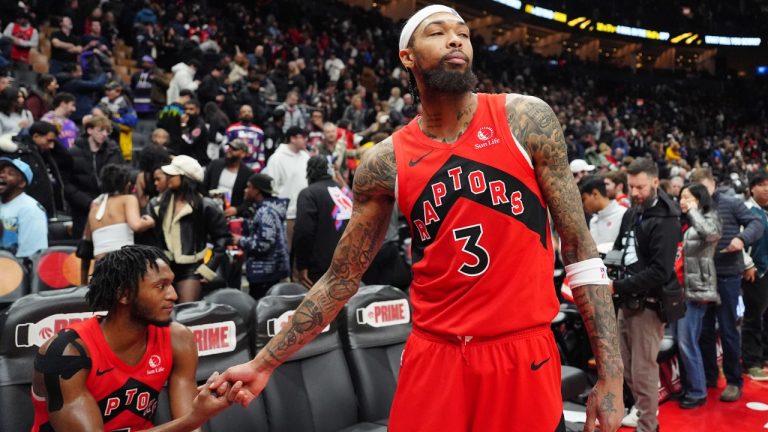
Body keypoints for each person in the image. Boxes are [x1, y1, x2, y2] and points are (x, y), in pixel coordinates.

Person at [211, 6, 623, 432]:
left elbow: (579, 250)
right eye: (438, 32)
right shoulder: (385, 161)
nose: (455, 39)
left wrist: (611, 376)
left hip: (520, 350)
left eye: (463, 33)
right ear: (407, 56)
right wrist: (263, 363)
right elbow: (340, 278)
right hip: (435, 353)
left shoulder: (525, 118)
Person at [30, 245, 241, 431]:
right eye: (161, 286)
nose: (174, 295)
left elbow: (188, 426)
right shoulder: (67, 352)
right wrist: (194, 419)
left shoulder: (178, 339)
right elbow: (187, 422)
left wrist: (195, 418)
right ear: (124, 294)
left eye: (171, 284)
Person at [610, 157, 680, 431]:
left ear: (654, 181)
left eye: (640, 187)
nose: (635, 192)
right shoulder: (633, 210)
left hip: (648, 305)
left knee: (643, 371)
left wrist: (616, 286)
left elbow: (660, 272)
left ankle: (649, 425)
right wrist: (606, 269)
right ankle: (641, 410)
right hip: (626, 300)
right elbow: (619, 248)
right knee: (626, 368)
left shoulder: (667, 217)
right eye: (631, 186)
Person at [690, 167, 763, 402]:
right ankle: (710, 377)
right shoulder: (693, 206)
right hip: (701, 277)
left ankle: (733, 381)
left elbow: (755, 223)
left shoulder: (731, 203)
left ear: (713, 183)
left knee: (729, 329)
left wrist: (741, 239)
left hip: (727, 276)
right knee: (705, 331)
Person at [149, 155, 231, 302]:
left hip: (191, 269)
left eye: (173, 174)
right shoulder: (158, 203)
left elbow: (222, 238)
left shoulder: (205, 205)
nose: (168, 177)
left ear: (185, 177)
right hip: (163, 267)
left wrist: (208, 269)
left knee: (185, 314)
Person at [676, 183, 722, 409]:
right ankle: (688, 386)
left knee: (688, 343)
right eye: (681, 197)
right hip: (679, 289)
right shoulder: (683, 221)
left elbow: (710, 234)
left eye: (688, 196)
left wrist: (693, 210)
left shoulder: (709, 216)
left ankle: (697, 392)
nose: (683, 200)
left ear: (699, 198)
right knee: (681, 342)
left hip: (697, 290)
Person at [293, 155, 353, 287]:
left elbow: (304, 231)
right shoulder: (345, 191)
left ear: (309, 172)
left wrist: (301, 265)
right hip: (350, 262)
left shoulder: (309, 193)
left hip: (322, 267)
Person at [80, 164, 155, 268]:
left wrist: (83, 282)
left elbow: (85, 245)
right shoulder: (128, 199)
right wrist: (149, 222)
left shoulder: (94, 208)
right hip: (123, 260)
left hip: (100, 265)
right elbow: (136, 225)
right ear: (126, 185)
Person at [64, 115, 124, 238]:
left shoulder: (113, 151)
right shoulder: (73, 153)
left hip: (108, 207)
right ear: (89, 130)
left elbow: (121, 178)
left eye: (107, 131)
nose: (105, 134)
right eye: (101, 130)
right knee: (83, 247)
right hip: (82, 209)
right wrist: (87, 202)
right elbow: (66, 184)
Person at [236, 173, 290, 300]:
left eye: (248, 187)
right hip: (270, 272)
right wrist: (244, 223)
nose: (245, 190)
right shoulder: (267, 210)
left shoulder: (265, 212)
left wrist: (240, 240)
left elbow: (264, 243)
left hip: (266, 273)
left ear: (257, 191)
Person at [2, 121, 69, 218]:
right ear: (36, 136)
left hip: (46, 212)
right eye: (49, 140)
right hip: (28, 213)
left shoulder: (43, 153)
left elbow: (67, 161)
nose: (52, 146)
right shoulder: (21, 154)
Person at [262, 126, 310, 253]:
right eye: (303, 137)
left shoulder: (305, 156)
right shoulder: (276, 159)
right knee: (286, 251)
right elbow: (271, 186)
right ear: (293, 139)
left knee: (302, 252)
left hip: (305, 211)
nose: (306, 140)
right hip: (287, 214)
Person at [742, 171, 768, 381]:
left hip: (766, 270)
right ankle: (751, 361)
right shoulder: (747, 210)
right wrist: (747, 264)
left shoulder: (764, 212)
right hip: (754, 272)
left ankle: (764, 355)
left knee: (766, 315)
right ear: (752, 188)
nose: (767, 188)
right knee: (753, 316)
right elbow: (736, 239)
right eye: (762, 185)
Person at [0, 157, 47, 258]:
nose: (2, 175)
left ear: (22, 183)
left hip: (15, 270)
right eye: (1, 172)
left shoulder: (31, 209)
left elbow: (31, 254)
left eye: (10, 173)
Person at [579, 175, 627, 251]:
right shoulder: (593, 221)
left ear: (595, 194)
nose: (582, 205)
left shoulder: (624, 214)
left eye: (583, 199)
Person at [204, 138, 252, 215]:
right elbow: (204, 185)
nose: (229, 150)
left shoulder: (248, 173)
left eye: (234, 149)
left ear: (243, 154)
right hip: (210, 209)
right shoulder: (215, 164)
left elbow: (250, 199)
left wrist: (237, 209)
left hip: (231, 213)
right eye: (229, 147)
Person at [99, 81, 138, 161]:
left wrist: (113, 117)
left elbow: (131, 122)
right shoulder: (103, 102)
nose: (107, 92)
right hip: (105, 143)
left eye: (110, 90)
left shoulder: (125, 104)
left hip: (121, 146)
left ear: (118, 91)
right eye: (106, 90)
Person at [225, 104, 266, 171]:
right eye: (244, 112)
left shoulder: (259, 131)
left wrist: (261, 165)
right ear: (240, 114)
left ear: (252, 114)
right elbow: (225, 146)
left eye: (249, 111)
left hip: (254, 166)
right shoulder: (232, 129)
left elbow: (261, 150)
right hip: (236, 164)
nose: (247, 113)